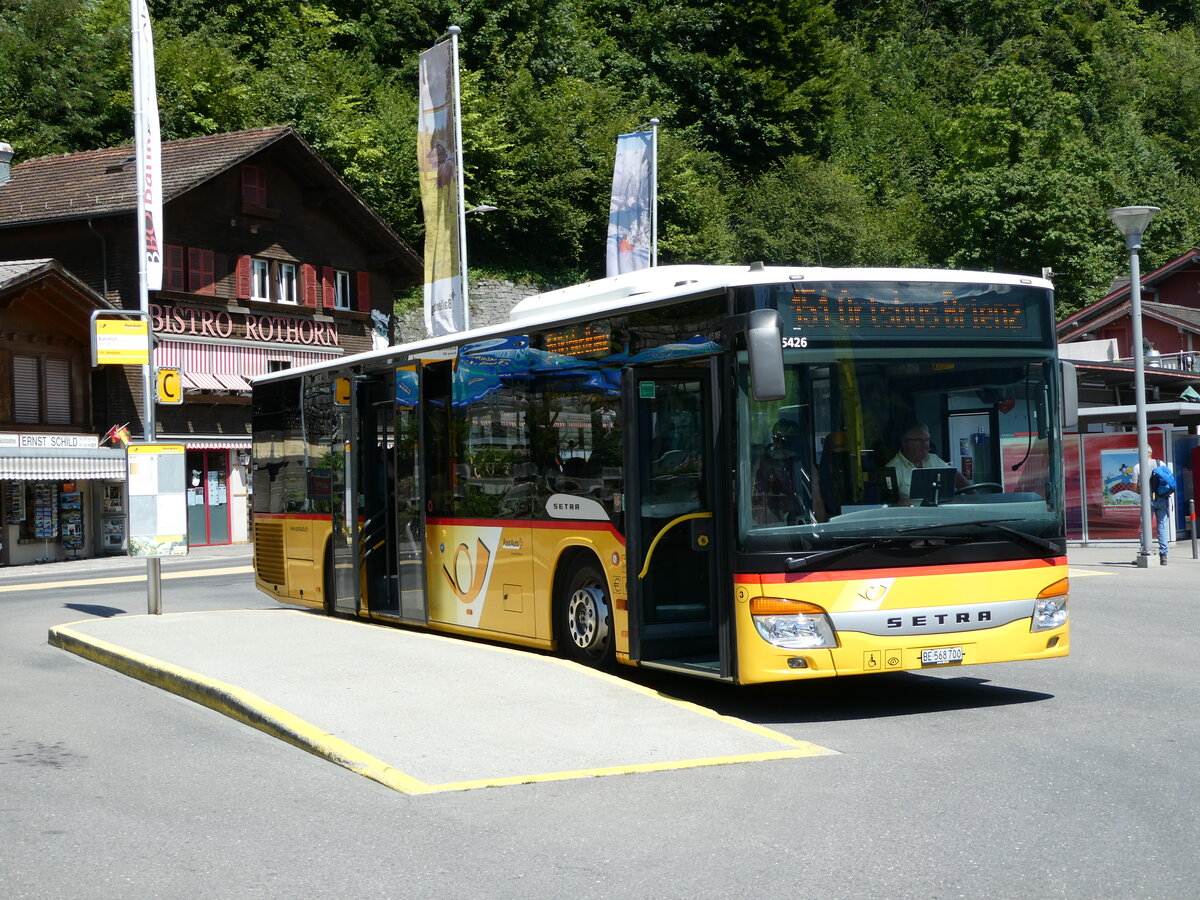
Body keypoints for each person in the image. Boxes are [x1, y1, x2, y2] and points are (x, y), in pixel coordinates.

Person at [755, 419, 824, 524]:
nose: (778, 446)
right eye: (775, 440)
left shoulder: (803, 467)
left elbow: (817, 504)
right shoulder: (764, 465)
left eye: (782, 441)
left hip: (798, 524)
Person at [886, 422, 969, 506]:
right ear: (904, 443)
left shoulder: (933, 459)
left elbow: (954, 476)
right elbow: (889, 493)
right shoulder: (892, 468)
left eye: (927, 440)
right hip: (914, 515)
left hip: (941, 512)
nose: (924, 444)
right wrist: (899, 497)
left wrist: (974, 493)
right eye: (919, 440)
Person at [1131, 447, 1172, 565]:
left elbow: (1133, 487)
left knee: (1145, 527)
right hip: (1162, 498)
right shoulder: (1160, 463)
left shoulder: (1137, 467)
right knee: (1162, 526)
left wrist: (1142, 491)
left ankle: (1145, 552)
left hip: (1147, 500)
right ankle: (1163, 555)